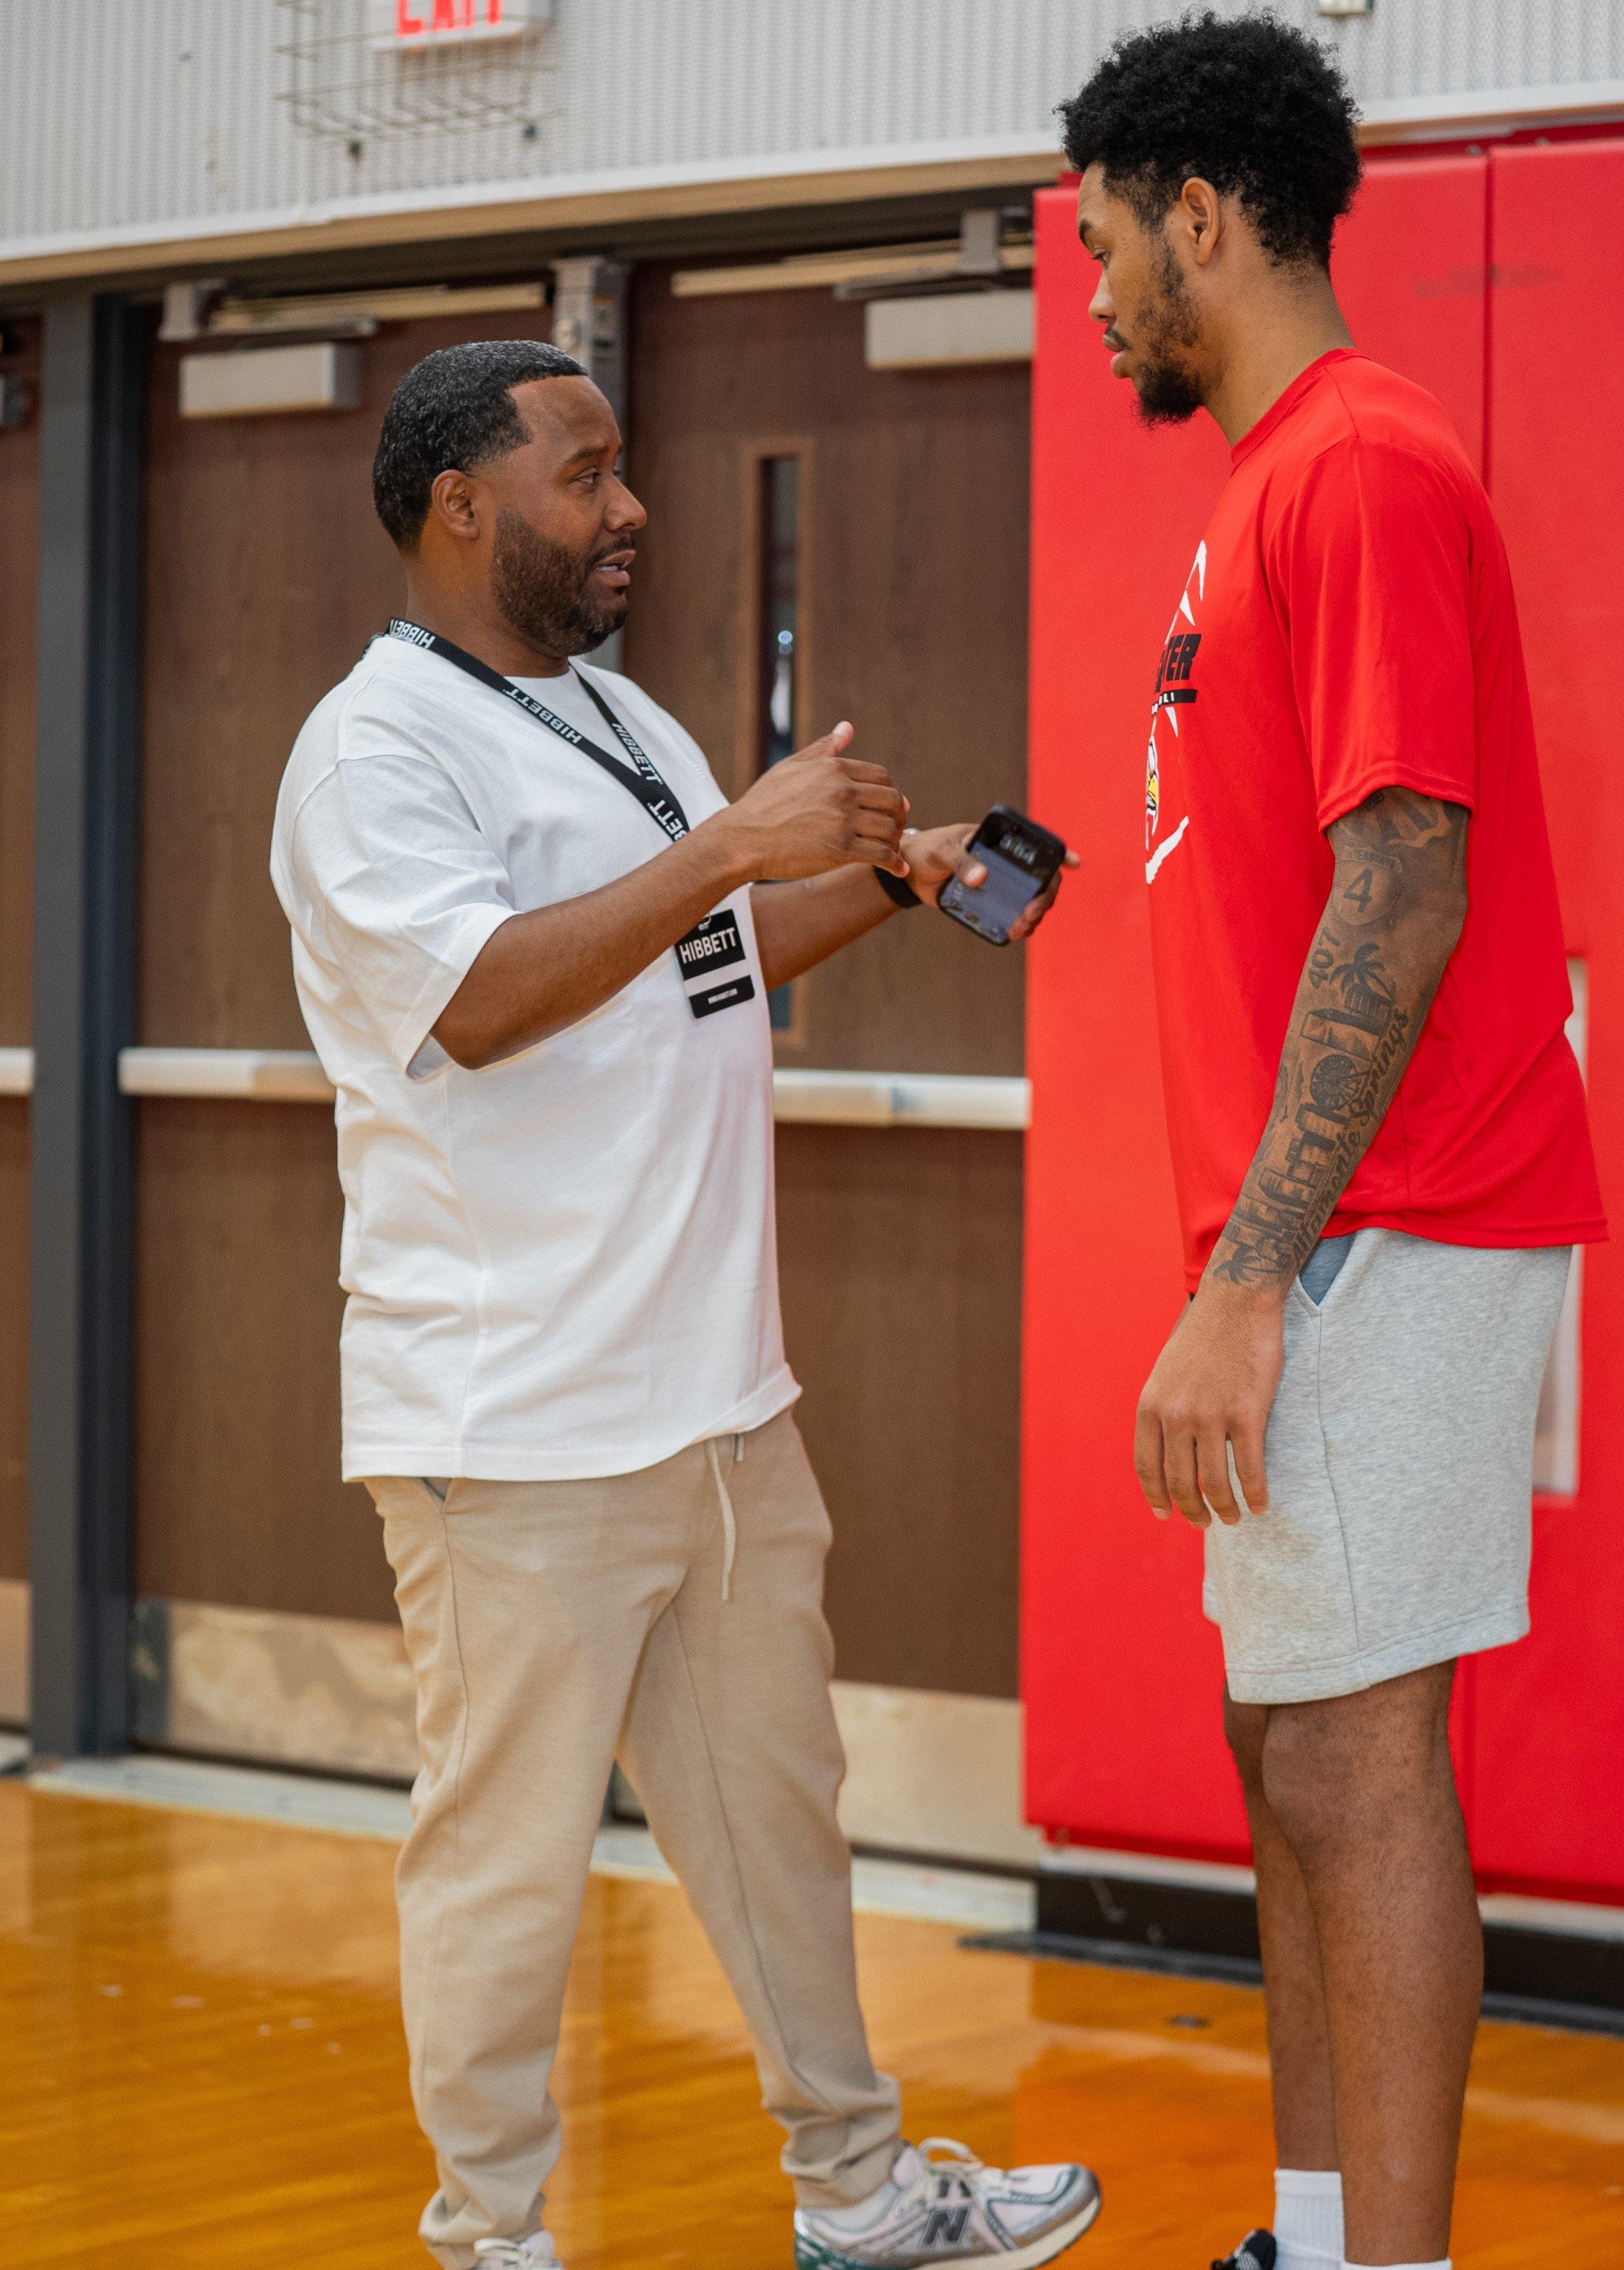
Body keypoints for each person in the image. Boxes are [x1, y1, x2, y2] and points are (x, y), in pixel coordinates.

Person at [269, 338, 1098, 2270]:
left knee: (781, 1821)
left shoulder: (622, 718)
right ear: (462, 506)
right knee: (507, 1868)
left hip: (719, 1404)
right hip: (513, 1427)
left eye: (624, 468)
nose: (628, 505)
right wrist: (730, 842)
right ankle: (490, 2237)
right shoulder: (376, 749)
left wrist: (890, 883)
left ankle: (861, 2188)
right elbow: (474, 1001)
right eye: (586, 471)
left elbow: (701, 958)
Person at [1060, 17, 1605, 2270]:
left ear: (1203, 212)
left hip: (1394, 1220)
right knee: (1291, 1749)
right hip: (1320, 1237)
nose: (1091, 296)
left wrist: (1254, 1269)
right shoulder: (1263, 490)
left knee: (1364, 1765)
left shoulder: (1361, 467)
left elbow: (1409, 874)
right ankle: (1312, 2231)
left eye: (1103, 245)